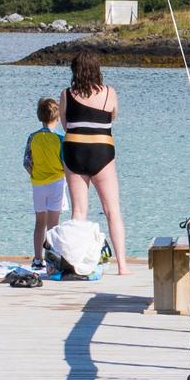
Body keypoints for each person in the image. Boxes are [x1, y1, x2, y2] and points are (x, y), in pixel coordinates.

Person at [59, 51, 125, 273]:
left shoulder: (67, 94)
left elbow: (65, 124)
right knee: (112, 210)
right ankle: (122, 265)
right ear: (98, 70)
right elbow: (113, 116)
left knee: (79, 211)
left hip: (74, 149)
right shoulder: (109, 93)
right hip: (101, 151)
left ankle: (76, 262)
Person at [25, 95, 69, 271]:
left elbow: (27, 162)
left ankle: (37, 259)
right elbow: (65, 163)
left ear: (39, 116)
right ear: (57, 117)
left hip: (38, 183)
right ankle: (52, 258)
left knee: (39, 223)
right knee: (54, 225)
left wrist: (35, 174)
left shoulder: (32, 137)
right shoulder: (60, 138)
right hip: (57, 182)